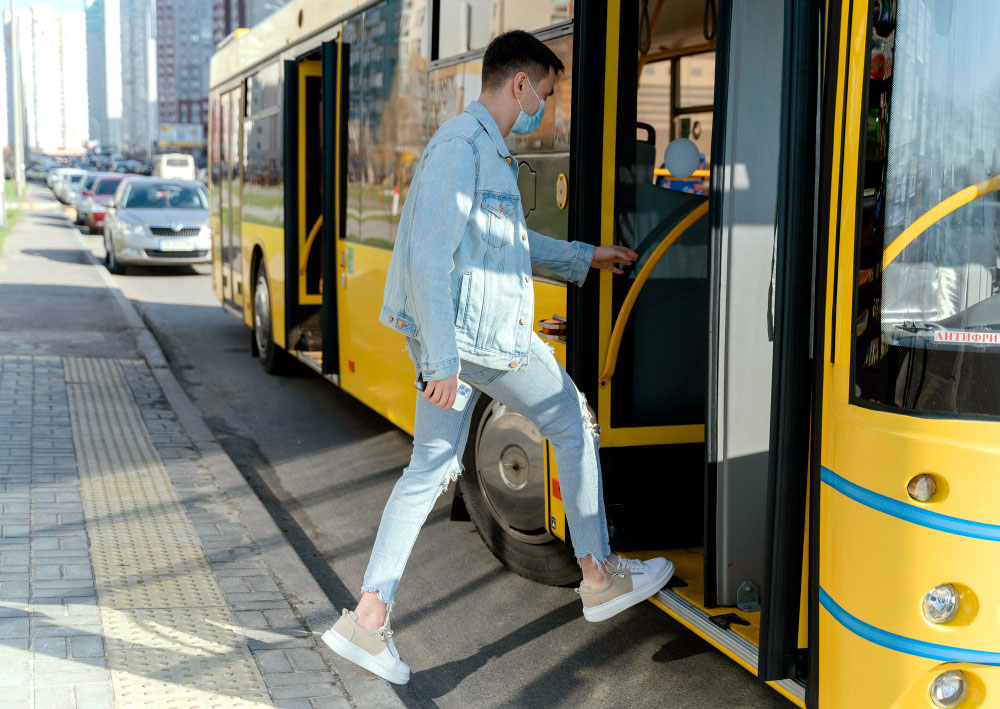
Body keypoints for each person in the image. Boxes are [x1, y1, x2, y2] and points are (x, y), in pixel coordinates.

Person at [321, 30, 675, 686]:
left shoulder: (480, 149)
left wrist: (584, 257)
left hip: (466, 343)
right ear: (519, 84)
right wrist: (445, 362)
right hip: (483, 346)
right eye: (545, 92)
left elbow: (503, 243)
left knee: (428, 471)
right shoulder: (462, 149)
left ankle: (368, 618)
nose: (547, 105)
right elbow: (427, 255)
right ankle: (597, 574)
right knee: (573, 422)